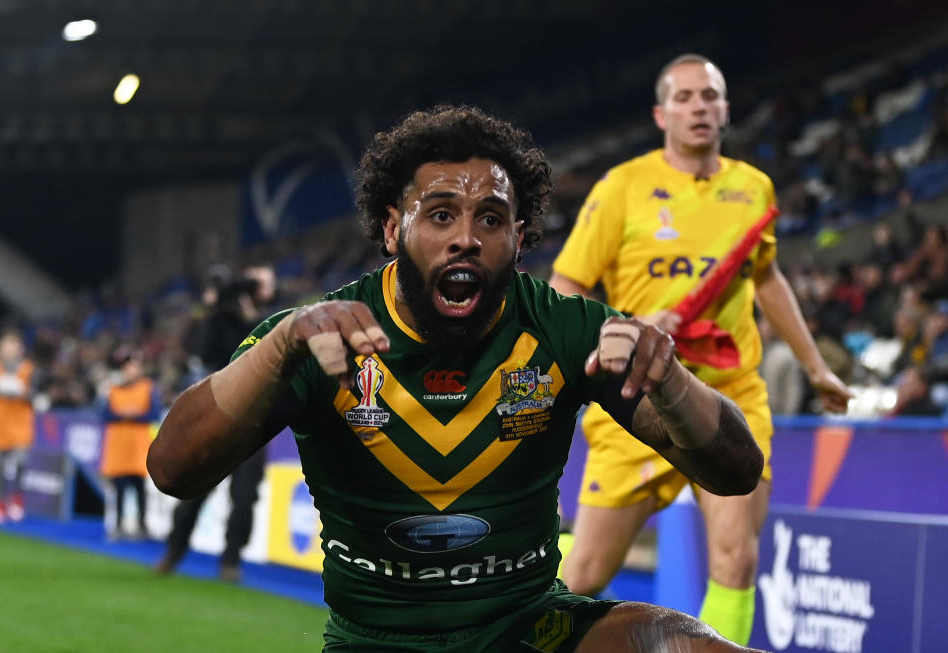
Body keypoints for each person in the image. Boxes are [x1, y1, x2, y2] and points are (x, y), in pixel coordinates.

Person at [148, 105, 769, 652]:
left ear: (519, 237)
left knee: (679, 645)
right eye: (440, 215)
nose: (466, 240)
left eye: (492, 220)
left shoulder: (564, 328)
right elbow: (173, 468)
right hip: (378, 644)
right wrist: (280, 346)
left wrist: (672, 382)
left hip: (528, 629)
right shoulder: (317, 335)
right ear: (394, 228)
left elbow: (736, 471)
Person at [549, 54, 852, 646]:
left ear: (726, 110)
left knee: (737, 557)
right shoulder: (621, 189)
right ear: (662, 113)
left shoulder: (752, 187)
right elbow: (566, 288)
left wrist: (816, 367)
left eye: (709, 96)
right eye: (685, 98)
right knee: (583, 573)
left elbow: (766, 278)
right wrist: (629, 327)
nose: (699, 107)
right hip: (637, 402)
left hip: (728, 398)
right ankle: (504, 607)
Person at [155, 265, 275, 582]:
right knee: (196, 486)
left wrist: (250, 316)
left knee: (245, 496)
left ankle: (230, 561)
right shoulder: (218, 319)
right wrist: (214, 312)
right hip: (218, 418)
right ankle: (173, 551)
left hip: (255, 422)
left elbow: (267, 355)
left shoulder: (274, 319)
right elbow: (205, 353)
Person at [100, 347, 162, 539]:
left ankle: (142, 525)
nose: (130, 371)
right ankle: (118, 525)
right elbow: (104, 415)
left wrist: (132, 415)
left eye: (134, 367)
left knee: (139, 488)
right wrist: (124, 414)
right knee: (119, 488)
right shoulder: (112, 389)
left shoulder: (148, 388)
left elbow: (154, 414)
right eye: (128, 367)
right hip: (118, 447)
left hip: (138, 447)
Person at [0, 329, 36, 524]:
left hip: (19, 425)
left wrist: (20, 391)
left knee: (18, 465)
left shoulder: (28, 369)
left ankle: (16, 501)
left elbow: (34, 395)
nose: (9, 351)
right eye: (6, 347)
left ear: (20, 349)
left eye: (13, 347)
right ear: (0, 349)